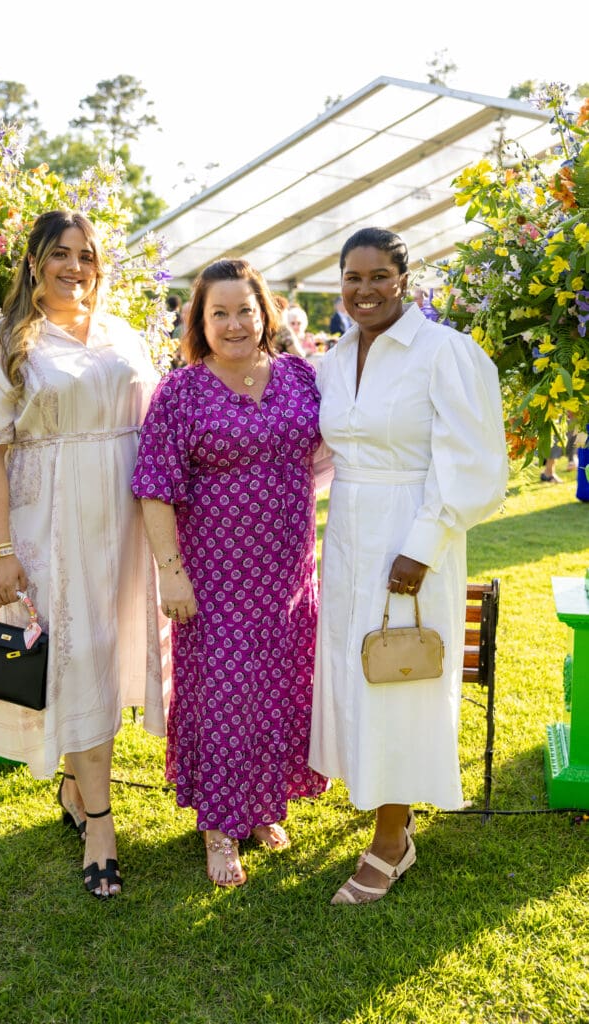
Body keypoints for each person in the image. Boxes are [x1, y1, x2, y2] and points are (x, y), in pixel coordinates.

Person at [0, 209, 167, 899]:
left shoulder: (122, 335)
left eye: (87, 255)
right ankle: (101, 824)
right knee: (73, 657)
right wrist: (2, 549)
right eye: (60, 254)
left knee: (106, 653)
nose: (75, 267)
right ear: (34, 260)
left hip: (125, 514)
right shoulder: (3, 345)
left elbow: (158, 420)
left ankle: (78, 786)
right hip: (50, 518)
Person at [309, 227, 508, 905]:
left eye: (377, 277)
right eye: (351, 278)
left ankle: (391, 842)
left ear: (404, 279)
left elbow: (473, 464)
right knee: (355, 668)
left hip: (413, 538)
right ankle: (383, 804)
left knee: (399, 674)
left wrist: (421, 546)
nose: (363, 290)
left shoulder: (444, 353)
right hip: (349, 536)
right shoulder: (334, 359)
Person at [131, 258, 328, 888]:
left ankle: (263, 805)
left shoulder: (300, 377)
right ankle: (219, 826)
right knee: (221, 695)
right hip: (213, 575)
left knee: (278, 687)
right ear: (200, 320)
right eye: (220, 312)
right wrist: (172, 572)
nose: (235, 323)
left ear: (265, 311)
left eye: (245, 309)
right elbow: (155, 488)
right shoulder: (183, 392)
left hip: (288, 572)